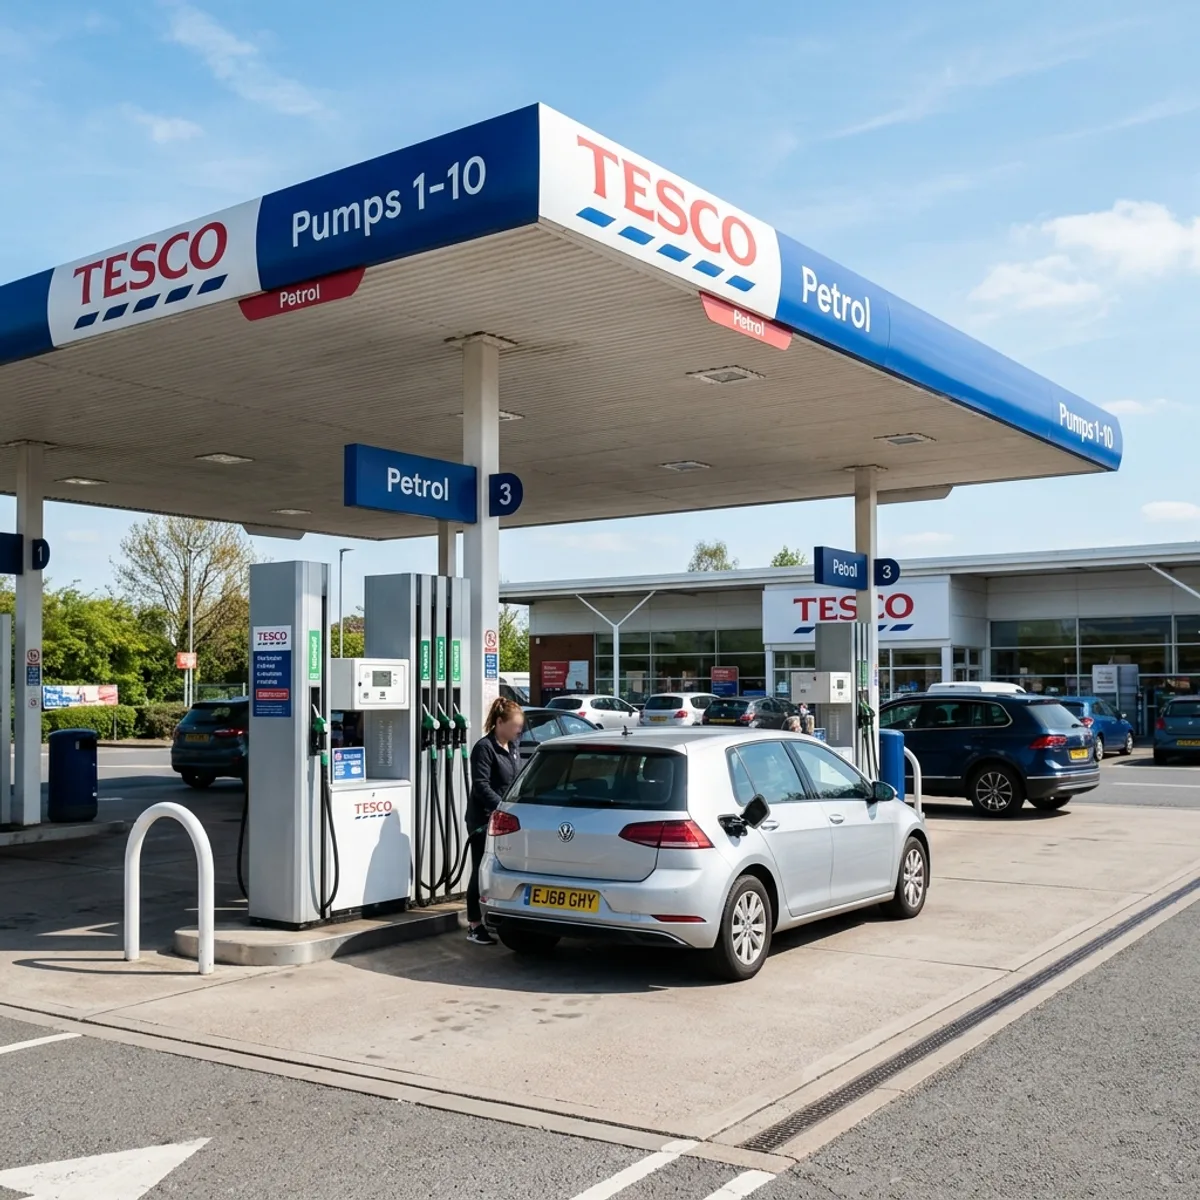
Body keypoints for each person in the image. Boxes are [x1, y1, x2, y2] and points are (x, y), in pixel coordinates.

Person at [465, 696, 524, 945]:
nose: (518, 730)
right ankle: (474, 924)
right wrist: (500, 808)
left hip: (506, 819)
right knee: (481, 868)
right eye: (514, 725)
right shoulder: (484, 748)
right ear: (499, 722)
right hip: (485, 819)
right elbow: (481, 785)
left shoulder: (512, 747)